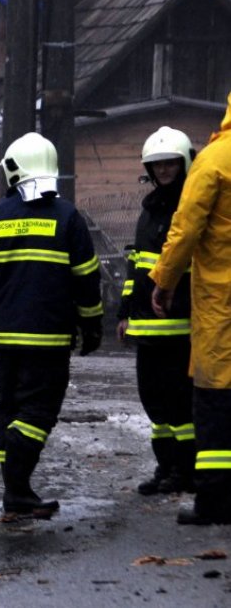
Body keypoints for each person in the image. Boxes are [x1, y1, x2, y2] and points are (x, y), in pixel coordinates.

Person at [0, 132, 102, 517]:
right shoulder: (68, 217)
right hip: (49, 337)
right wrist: (92, 327)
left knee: (7, 406)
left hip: (4, 339)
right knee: (38, 411)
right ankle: (18, 487)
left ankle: (15, 492)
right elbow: (86, 280)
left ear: (12, 170)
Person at [150, 92, 231, 526]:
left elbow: (184, 230)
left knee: (216, 404)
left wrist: (163, 280)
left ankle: (216, 501)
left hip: (223, 305)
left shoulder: (215, 159)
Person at [116, 127, 196, 496]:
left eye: (170, 164)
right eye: (157, 165)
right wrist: (124, 312)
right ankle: (165, 468)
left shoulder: (192, 205)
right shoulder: (149, 210)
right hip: (147, 328)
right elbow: (137, 266)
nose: (163, 171)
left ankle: (186, 471)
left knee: (181, 405)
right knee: (154, 404)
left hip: (183, 326)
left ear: (184, 163)